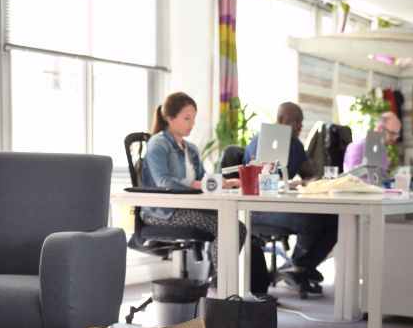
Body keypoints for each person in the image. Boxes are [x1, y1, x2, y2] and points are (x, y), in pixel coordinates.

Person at [140, 91, 244, 286]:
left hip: (185, 208)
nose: (192, 123)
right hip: (162, 212)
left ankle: (216, 279)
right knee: (222, 225)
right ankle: (220, 285)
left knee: (237, 227)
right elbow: (163, 181)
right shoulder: (158, 144)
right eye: (187, 118)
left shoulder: (192, 149)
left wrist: (223, 183)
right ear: (170, 118)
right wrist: (198, 185)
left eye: (193, 118)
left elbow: (203, 179)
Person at [244, 102, 338, 293]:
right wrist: (291, 183)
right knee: (311, 222)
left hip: (283, 205)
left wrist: (313, 180)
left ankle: (301, 267)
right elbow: (259, 178)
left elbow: (309, 174)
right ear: (281, 120)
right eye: (296, 121)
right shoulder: (261, 142)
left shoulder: (296, 145)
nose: (300, 126)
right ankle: (298, 266)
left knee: (333, 220)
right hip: (259, 209)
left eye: (301, 122)